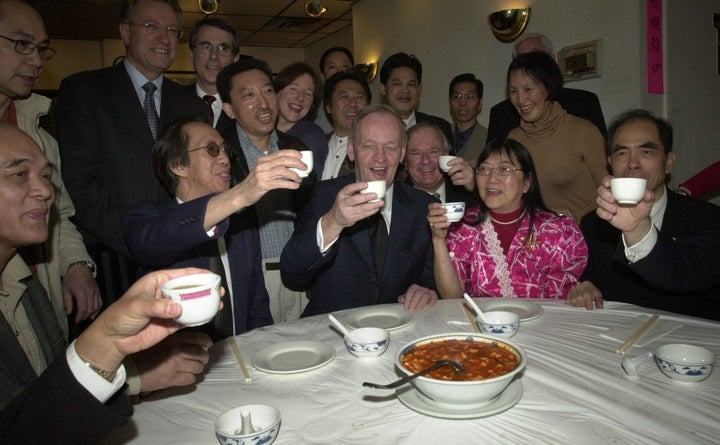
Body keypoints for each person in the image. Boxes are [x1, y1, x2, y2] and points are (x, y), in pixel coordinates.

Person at [0, 122, 210, 442]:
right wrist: (106, 342)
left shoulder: (25, 284)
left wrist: (130, 372)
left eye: (45, 175)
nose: (45, 190)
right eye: (18, 174)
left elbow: (38, 409)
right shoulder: (143, 217)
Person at [56, 0, 206, 305]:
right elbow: (80, 184)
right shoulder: (84, 91)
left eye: (172, 30)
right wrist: (142, 242)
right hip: (114, 258)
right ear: (125, 32)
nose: (164, 38)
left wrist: (177, 236)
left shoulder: (190, 103)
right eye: (151, 26)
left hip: (181, 255)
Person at [122, 116, 305, 337]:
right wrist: (241, 194)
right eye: (211, 149)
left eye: (225, 149)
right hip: (177, 363)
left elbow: (257, 305)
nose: (225, 159)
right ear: (178, 165)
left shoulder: (242, 226)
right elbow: (153, 242)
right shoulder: (146, 218)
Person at [0, 0, 100, 337]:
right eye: (22, 44)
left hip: (38, 303)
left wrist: (76, 264)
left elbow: (59, 214)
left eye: (42, 49)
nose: (37, 60)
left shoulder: (38, 135)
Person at [281, 104, 438, 316]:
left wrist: (427, 291)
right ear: (351, 150)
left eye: (390, 147)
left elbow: (429, 278)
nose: (380, 157)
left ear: (402, 153)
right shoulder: (321, 197)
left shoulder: (422, 206)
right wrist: (333, 221)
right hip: (331, 332)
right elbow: (292, 274)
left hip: (398, 329)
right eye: (369, 146)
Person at [567, 110, 720, 320]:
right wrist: (584, 287)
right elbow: (587, 277)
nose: (633, 163)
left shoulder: (707, 219)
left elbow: (690, 274)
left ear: (668, 162)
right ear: (610, 163)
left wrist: (639, 230)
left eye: (646, 152)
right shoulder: (594, 223)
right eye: (622, 153)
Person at [429, 138, 588, 300]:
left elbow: (564, 300)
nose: (491, 179)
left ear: (527, 182)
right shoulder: (465, 228)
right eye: (483, 169)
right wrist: (438, 240)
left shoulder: (556, 231)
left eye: (504, 169)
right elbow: (452, 297)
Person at [217, 57, 313, 323]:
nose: (263, 102)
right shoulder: (222, 154)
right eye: (249, 95)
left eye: (268, 91)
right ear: (229, 109)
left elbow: (309, 207)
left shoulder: (295, 147)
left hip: (297, 272)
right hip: (251, 274)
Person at [506, 51, 607, 222]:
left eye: (528, 89)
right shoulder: (514, 139)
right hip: (536, 239)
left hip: (587, 234)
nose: (521, 99)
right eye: (513, 91)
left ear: (548, 87)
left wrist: (573, 218)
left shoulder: (584, 132)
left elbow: (612, 195)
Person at [486, 32, 606, 143]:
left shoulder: (584, 103)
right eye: (522, 59)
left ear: (552, 60)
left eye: (536, 57)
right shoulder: (502, 115)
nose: (521, 99)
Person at [379, 52, 453, 144]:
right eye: (397, 84)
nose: (405, 90)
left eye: (411, 84)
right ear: (383, 89)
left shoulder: (439, 127)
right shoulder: (372, 126)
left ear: (419, 89)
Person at [274, 62, 329, 175]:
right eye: (293, 89)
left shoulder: (312, 136)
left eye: (308, 94)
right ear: (277, 92)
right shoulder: (259, 129)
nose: (300, 98)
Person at [187, 17, 239, 133]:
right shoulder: (169, 102)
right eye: (206, 46)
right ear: (191, 54)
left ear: (235, 59)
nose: (214, 56)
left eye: (223, 49)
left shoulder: (244, 107)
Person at [404, 121, 476, 204]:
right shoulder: (394, 203)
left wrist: (476, 187)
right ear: (405, 161)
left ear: (446, 155)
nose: (425, 161)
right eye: (416, 153)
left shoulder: (468, 194)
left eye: (433, 152)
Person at [321, 70, 371, 180]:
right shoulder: (316, 143)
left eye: (359, 97)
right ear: (328, 107)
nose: (352, 104)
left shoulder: (375, 149)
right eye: (344, 97)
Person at [448, 73, 487, 163]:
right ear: (450, 102)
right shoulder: (441, 133)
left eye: (470, 96)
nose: (462, 103)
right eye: (457, 96)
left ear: (480, 103)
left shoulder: (488, 138)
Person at [314, 46, 354, 133]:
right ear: (322, 77)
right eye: (332, 67)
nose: (339, 71)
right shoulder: (313, 109)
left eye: (345, 65)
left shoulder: (361, 103)